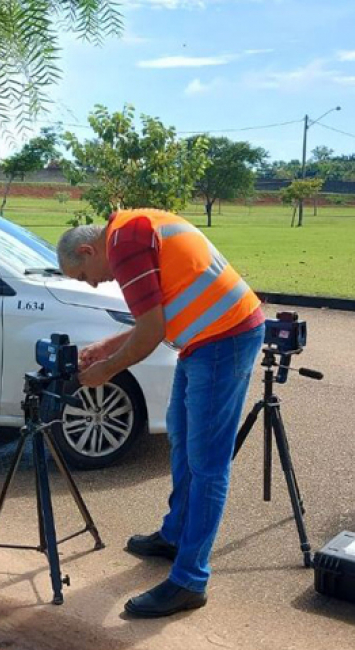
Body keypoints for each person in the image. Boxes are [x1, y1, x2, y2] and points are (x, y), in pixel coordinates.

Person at [57, 209, 264, 618]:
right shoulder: (131, 231)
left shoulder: (125, 245)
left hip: (224, 339)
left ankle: (190, 581)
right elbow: (157, 318)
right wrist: (107, 347)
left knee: (207, 464)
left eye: (84, 276)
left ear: (87, 250)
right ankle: (175, 536)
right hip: (204, 340)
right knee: (182, 440)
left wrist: (105, 371)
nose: (95, 283)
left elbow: (151, 334)